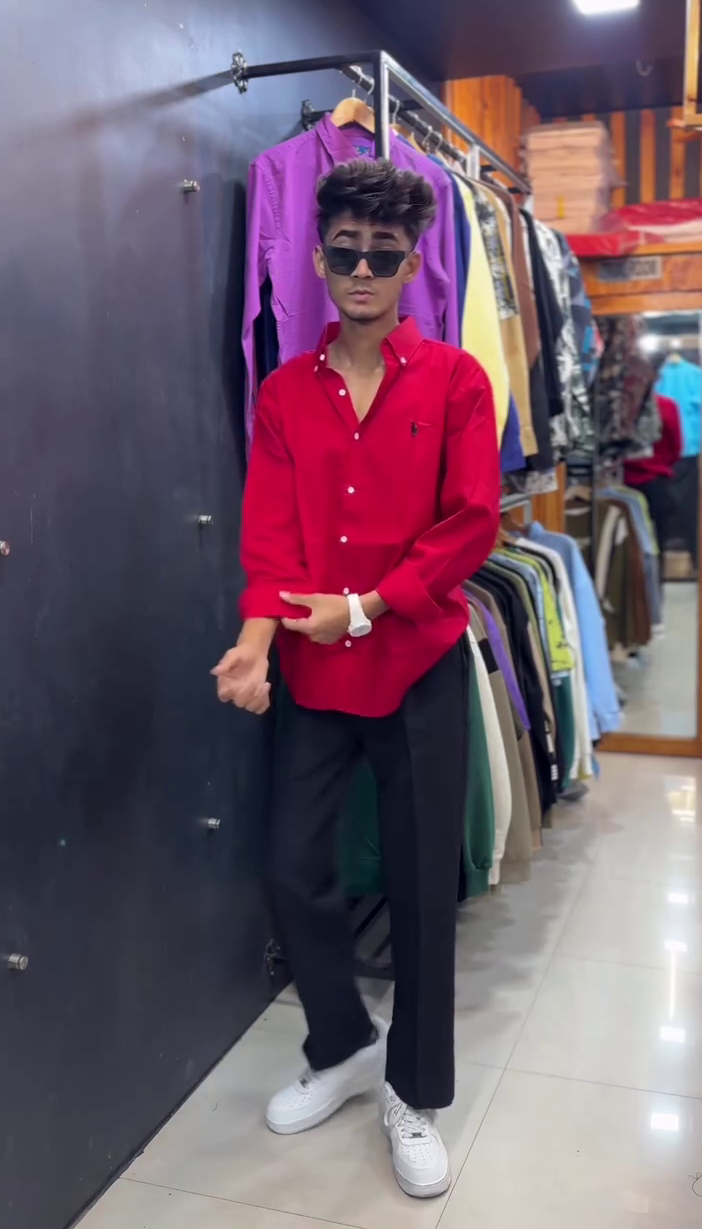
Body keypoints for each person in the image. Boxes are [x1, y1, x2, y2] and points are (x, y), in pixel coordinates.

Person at [213, 158, 499, 1199]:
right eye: (346, 253)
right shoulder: (287, 392)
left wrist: (368, 606)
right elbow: (270, 538)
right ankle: (341, 1044)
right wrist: (255, 642)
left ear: (415, 263)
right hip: (313, 669)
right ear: (320, 261)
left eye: (384, 254)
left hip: (416, 662)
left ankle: (413, 1092)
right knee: (293, 869)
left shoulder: (457, 381)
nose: (364, 271)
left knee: (421, 888)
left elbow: (470, 525)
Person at [624, 392, 682, 602]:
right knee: (658, 542)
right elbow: (676, 446)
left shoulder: (623, 404)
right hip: (657, 480)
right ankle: (654, 598)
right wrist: (660, 463)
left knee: (627, 543)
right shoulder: (667, 405)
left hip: (625, 481)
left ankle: (631, 599)